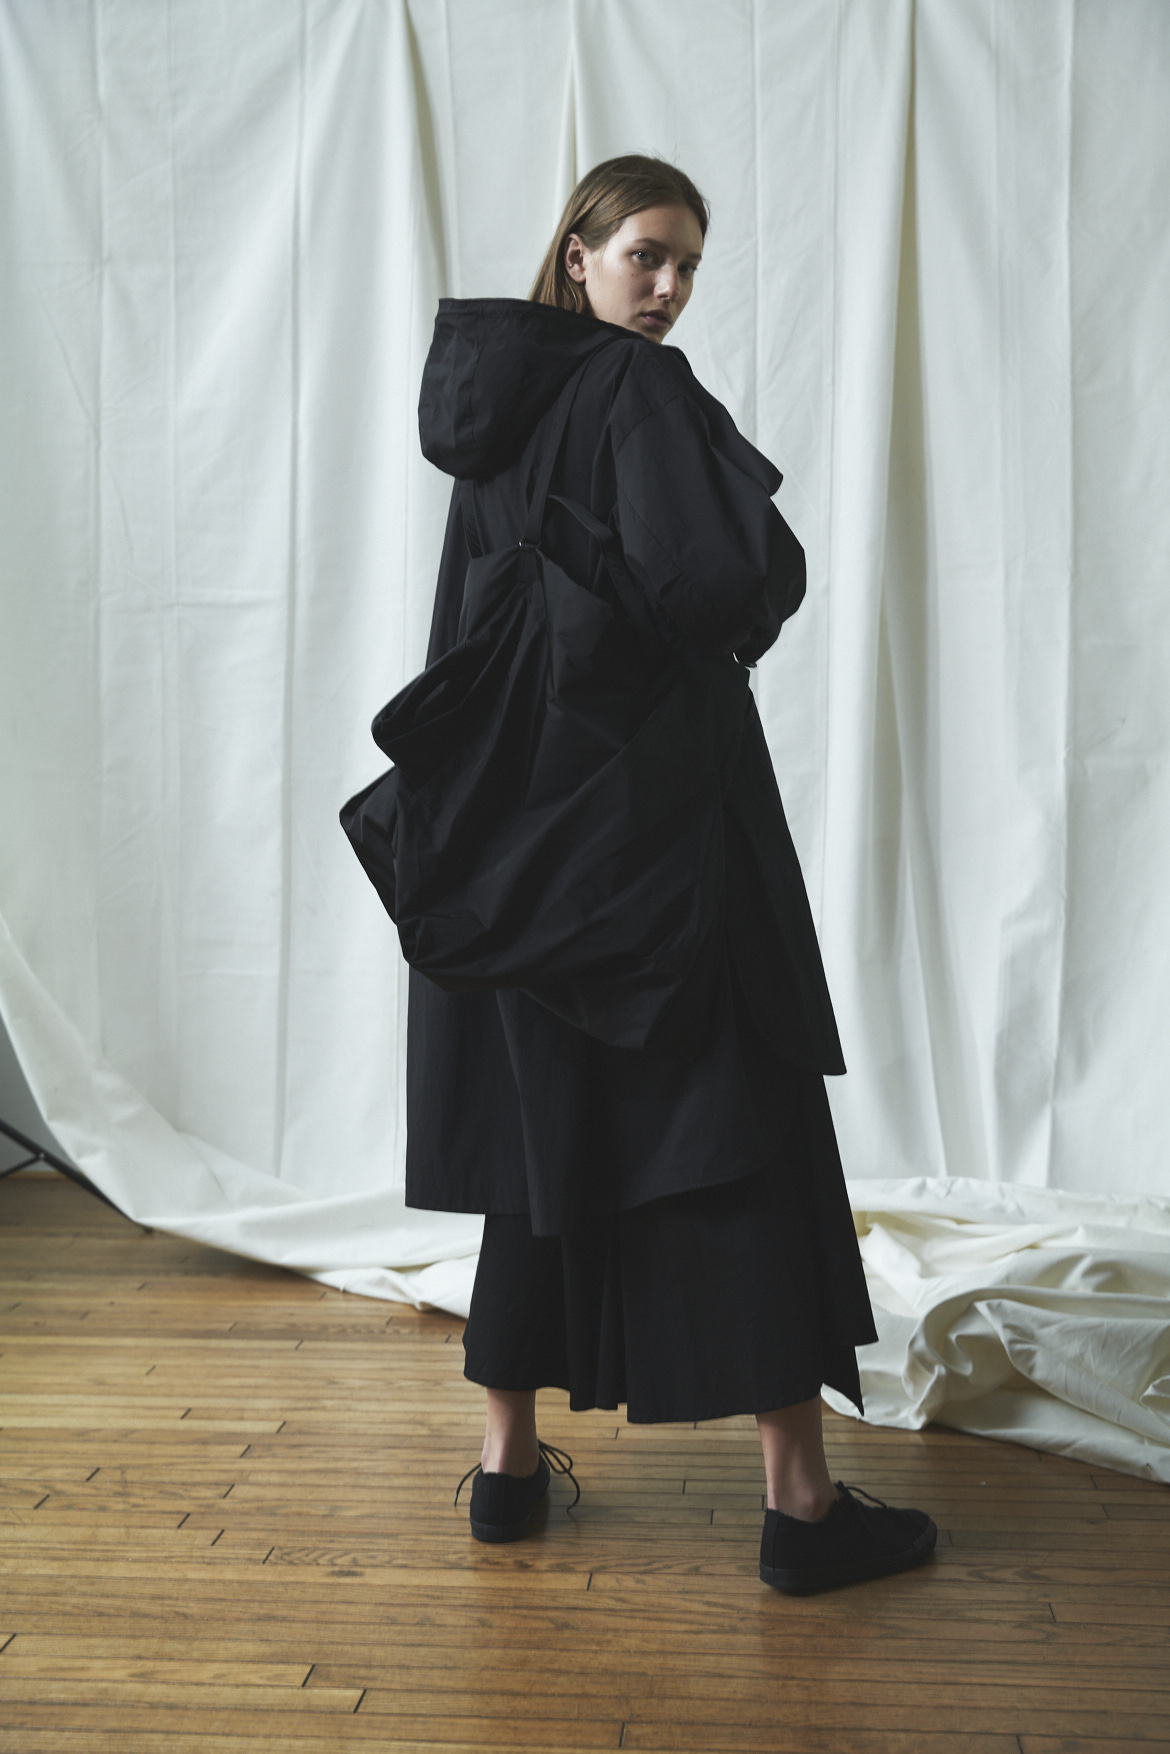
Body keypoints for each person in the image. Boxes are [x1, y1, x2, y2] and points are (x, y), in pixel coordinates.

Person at [405, 155, 936, 1595]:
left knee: (543, 1139)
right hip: (655, 828)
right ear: (576, 254)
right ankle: (801, 1510)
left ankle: (507, 1473)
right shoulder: (636, 388)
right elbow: (735, 583)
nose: (669, 287)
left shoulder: (497, 411)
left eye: (688, 264)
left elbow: (466, 627)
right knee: (741, 1126)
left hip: (520, 835)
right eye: (645, 253)